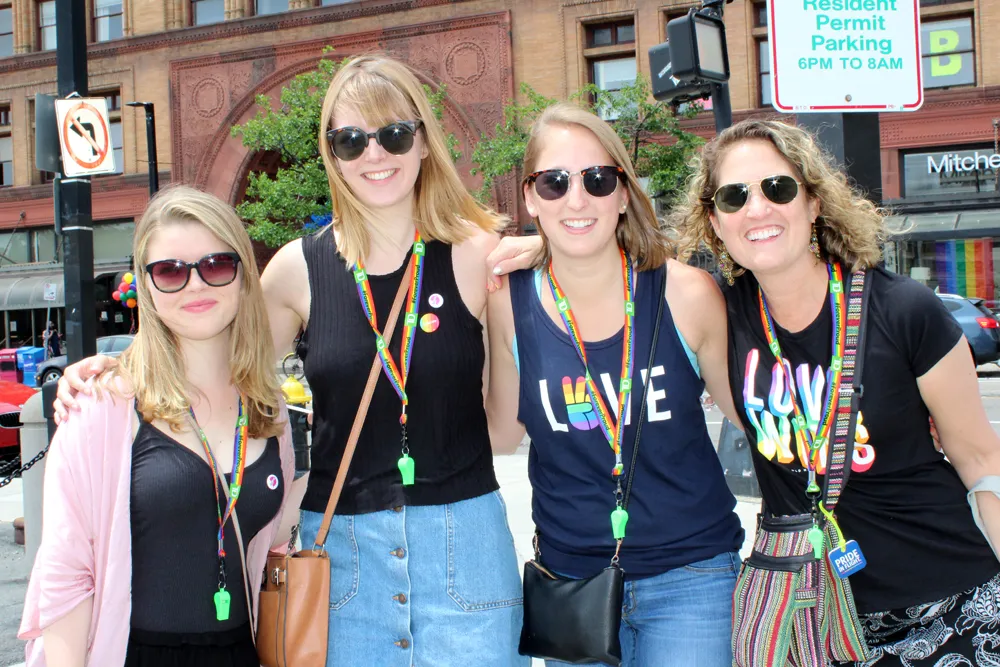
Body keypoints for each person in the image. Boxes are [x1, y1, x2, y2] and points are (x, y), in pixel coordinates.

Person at [54, 55, 527, 666]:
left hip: (467, 552)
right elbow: (214, 347)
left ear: (424, 140)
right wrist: (114, 370)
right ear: (331, 153)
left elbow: (506, 430)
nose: (375, 155)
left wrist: (551, 248)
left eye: (393, 134)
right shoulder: (296, 270)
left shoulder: (481, 255)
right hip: (345, 559)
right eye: (351, 140)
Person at [673, 118, 1000, 666]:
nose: (757, 209)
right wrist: (545, 240)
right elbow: (617, 271)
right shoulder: (718, 315)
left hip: (949, 605)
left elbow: (980, 458)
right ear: (715, 221)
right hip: (808, 619)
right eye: (734, 196)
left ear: (813, 203)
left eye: (778, 188)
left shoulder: (902, 309)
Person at [486, 103, 744, 667]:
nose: (576, 199)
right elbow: (501, 434)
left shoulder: (685, 294)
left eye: (598, 180)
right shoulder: (507, 304)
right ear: (530, 197)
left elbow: (754, 418)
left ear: (624, 193)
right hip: (571, 582)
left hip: (691, 576)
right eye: (554, 183)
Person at [18, 186, 298, 667]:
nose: (195, 285)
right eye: (170, 271)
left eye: (216, 265)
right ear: (146, 286)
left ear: (243, 278)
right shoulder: (103, 404)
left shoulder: (267, 408)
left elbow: (273, 533)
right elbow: (66, 576)